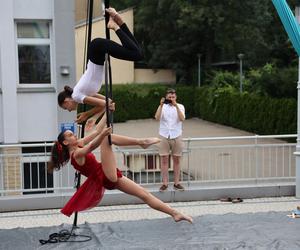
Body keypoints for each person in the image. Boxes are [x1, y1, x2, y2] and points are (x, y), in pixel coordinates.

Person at [48, 116, 192, 223]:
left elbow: (98, 130)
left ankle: (174, 213)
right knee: (107, 138)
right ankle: (141, 142)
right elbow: (92, 146)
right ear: (66, 142)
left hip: (108, 175)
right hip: (105, 175)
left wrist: (107, 110)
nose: (74, 134)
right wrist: (103, 134)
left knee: (144, 194)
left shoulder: (79, 144)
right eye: (70, 135)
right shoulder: (76, 154)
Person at [57, 7, 143, 124]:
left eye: (65, 108)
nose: (69, 110)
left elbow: (105, 104)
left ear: (66, 101)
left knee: (136, 55)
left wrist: (87, 115)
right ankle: (117, 19)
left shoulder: (77, 96)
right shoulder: (84, 93)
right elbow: (109, 102)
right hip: (97, 50)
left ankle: (115, 25)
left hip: (97, 49)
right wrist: (90, 116)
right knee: (138, 52)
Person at [154, 88, 185, 192]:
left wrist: (176, 106)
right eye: (169, 97)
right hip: (164, 135)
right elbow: (157, 118)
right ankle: (165, 183)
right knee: (164, 160)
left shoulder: (180, 106)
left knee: (176, 160)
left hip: (177, 134)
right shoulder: (163, 107)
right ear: (166, 98)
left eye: (173, 97)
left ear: (176, 97)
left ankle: (177, 183)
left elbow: (182, 118)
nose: (171, 99)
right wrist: (161, 105)